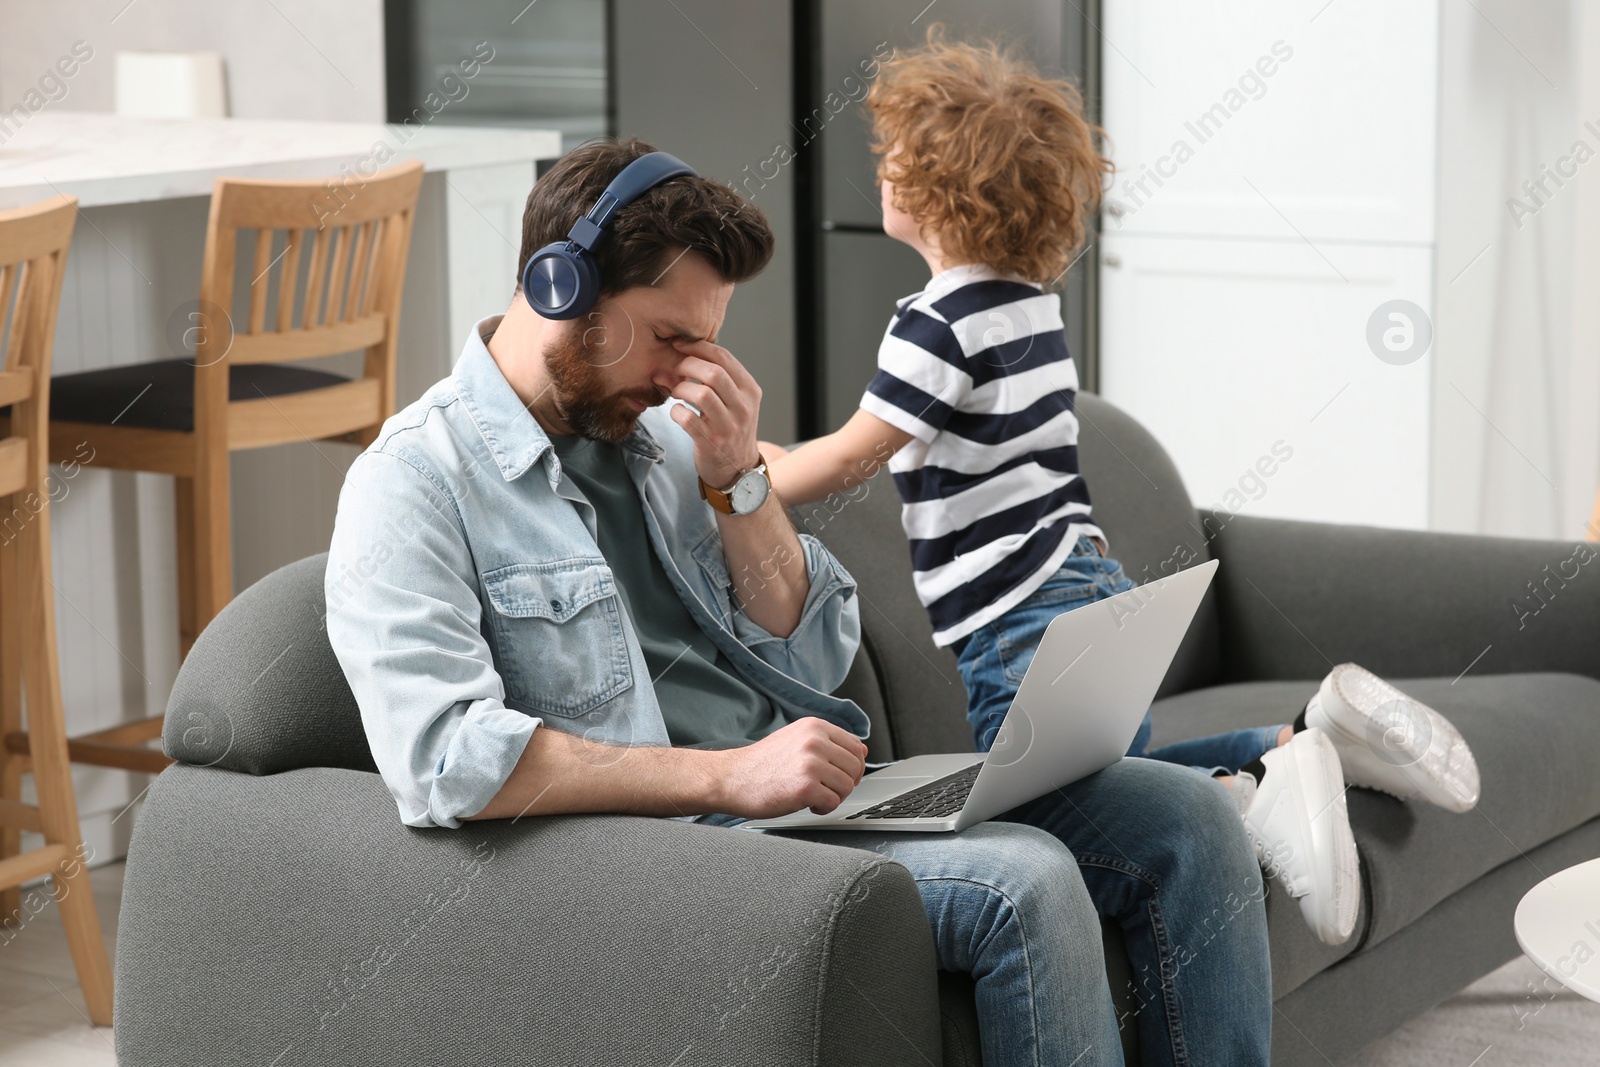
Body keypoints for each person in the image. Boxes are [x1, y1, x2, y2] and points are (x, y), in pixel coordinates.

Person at [325, 136, 1275, 1065]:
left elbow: (813, 650)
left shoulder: (666, 446)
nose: (682, 376)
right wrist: (730, 775)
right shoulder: (414, 482)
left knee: (1184, 818)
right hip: (688, 845)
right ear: (558, 288)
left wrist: (740, 483)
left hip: (811, 805)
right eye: (669, 339)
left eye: (704, 345)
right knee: (1022, 884)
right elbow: (445, 758)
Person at [760, 30, 1482, 949]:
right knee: (1121, 779)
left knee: (1044, 814)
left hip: (1015, 620)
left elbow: (859, 454)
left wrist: (757, 478)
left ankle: (1248, 791)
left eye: (895, 157)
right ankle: (1305, 741)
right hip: (1092, 585)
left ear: (943, 187)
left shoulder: (933, 324)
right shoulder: (1027, 303)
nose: (883, 173)